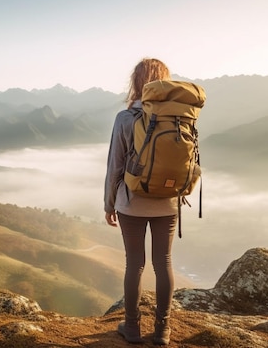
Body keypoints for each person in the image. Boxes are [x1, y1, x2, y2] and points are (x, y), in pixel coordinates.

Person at [104, 58, 177, 345]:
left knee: (134, 264)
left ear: (135, 83)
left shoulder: (125, 118)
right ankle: (163, 330)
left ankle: (132, 327)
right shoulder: (180, 117)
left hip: (131, 202)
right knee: (164, 263)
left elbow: (115, 166)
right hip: (168, 201)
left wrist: (109, 205)